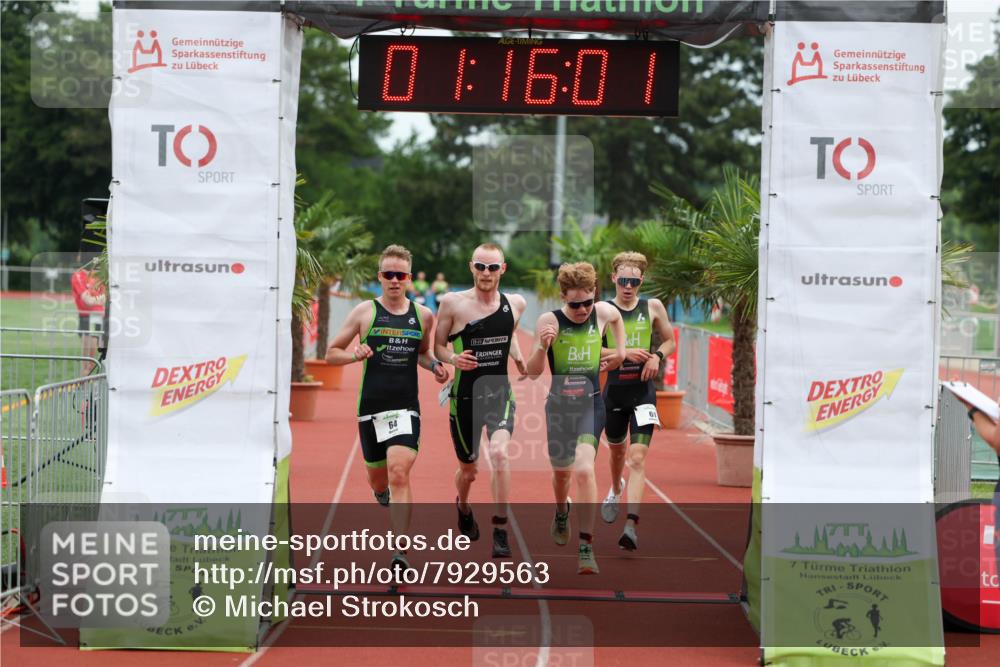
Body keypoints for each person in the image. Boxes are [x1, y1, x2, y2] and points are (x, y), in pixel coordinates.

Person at [326, 245, 449, 571]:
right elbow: (331, 354)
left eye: (401, 275)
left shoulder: (423, 315)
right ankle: (380, 492)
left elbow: (422, 353)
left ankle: (400, 551)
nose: (395, 280)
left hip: (404, 409)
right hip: (370, 408)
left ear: (409, 278)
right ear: (380, 276)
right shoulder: (364, 313)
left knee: (399, 471)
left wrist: (435, 365)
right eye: (389, 274)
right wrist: (353, 355)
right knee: (379, 481)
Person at [526, 262, 625, 574]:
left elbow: (617, 321)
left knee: (584, 469)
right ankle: (561, 511)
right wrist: (543, 346)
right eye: (574, 304)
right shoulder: (549, 321)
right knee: (562, 476)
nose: (582, 310)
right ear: (563, 298)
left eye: (587, 302)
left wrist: (620, 353)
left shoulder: (604, 313)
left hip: (591, 405)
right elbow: (532, 372)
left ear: (595, 293)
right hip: (559, 408)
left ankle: (586, 546)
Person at [435, 244, 527, 559]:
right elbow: (438, 347)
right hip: (464, 399)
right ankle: (462, 505)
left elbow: (510, 334)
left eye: (492, 267)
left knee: (500, 454)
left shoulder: (516, 303)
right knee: (469, 471)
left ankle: (500, 529)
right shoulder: (452, 303)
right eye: (480, 266)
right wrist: (453, 359)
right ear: (471, 267)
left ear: (503, 269)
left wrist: (518, 356)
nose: (486, 273)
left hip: (499, 395)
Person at [599, 251, 676, 551]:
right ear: (614, 278)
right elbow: (592, 350)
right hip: (614, 392)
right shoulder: (603, 311)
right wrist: (623, 353)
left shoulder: (652, 307)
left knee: (638, 458)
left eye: (634, 282)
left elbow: (669, 340)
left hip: (643, 393)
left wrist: (657, 356)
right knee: (618, 453)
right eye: (623, 281)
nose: (628, 287)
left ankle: (631, 526)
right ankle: (615, 487)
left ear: (642, 281)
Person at [70, 260, 106, 375]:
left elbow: (99, 299)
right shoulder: (80, 275)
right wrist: (97, 300)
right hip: (87, 316)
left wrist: (95, 300)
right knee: (88, 359)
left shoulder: (100, 276)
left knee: (91, 359)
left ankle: (88, 377)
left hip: (97, 315)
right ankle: (87, 377)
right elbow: (89, 300)